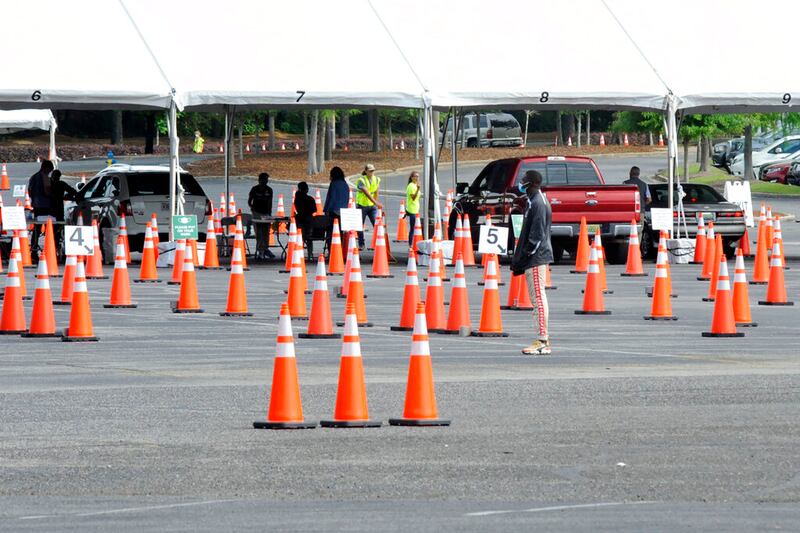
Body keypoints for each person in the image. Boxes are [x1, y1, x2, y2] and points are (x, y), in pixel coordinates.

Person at [511, 170, 553, 356]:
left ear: (531, 183)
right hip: (534, 258)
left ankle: (542, 340)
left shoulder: (538, 203)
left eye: (524, 181)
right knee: (537, 297)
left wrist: (524, 257)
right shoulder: (534, 201)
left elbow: (536, 237)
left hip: (536, 258)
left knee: (538, 298)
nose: (521, 184)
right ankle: (542, 339)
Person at [27, 159, 55, 256]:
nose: (50, 172)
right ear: (46, 168)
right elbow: (47, 191)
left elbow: (29, 191)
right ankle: (49, 250)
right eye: (50, 170)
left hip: (36, 205)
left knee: (37, 228)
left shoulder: (33, 177)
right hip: (45, 206)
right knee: (49, 228)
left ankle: (34, 249)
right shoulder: (44, 177)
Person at [355, 163, 382, 249]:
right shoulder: (361, 180)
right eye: (370, 171)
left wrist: (375, 202)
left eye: (373, 171)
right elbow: (367, 193)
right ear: (366, 171)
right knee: (360, 225)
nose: (372, 173)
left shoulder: (377, 179)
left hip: (371, 206)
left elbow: (377, 191)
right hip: (362, 205)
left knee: (376, 223)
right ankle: (361, 243)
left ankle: (378, 243)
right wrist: (376, 203)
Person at [248, 172, 275, 259]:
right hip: (257, 213)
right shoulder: (254, 189)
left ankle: (266, 249)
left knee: (266, 232)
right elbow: (250, 200)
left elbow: (270, 202)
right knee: (259, 232)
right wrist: (252, 208)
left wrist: (269, 213)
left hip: (266, 213)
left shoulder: (269, 190)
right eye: (264, 179)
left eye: (267, 180)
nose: (266, 181)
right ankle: (260, 250)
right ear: (260, 180)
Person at [323, 166, 350, 250]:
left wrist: (326, 210)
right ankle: (339, 249)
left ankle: (332, 249)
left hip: (334, 211)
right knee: (340, 232)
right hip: (343, 211)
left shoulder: (334, 184)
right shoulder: (345, 184)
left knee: (331, 232)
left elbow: (332, 198)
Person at [294, 181, 317, 259]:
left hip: (300, 220)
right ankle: (310, 253)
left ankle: (299, 253)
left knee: (300, 238)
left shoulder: (297, 199)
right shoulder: (310, 199)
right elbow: (314, 210)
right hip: (309, 221)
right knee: (309, 238)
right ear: (307, 190)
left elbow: (298, 209)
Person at [405, 171, 421, 250]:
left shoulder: (415, 185)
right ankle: (410, 245)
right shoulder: (411, 186)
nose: (417, 178)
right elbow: (413, 197)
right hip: (412, 210)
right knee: (412, 228)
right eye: (415, 176)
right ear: (411, 178)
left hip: (416, 209)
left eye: (418, 176)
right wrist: (418, 189)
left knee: (415, 227)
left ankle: (413, 243)